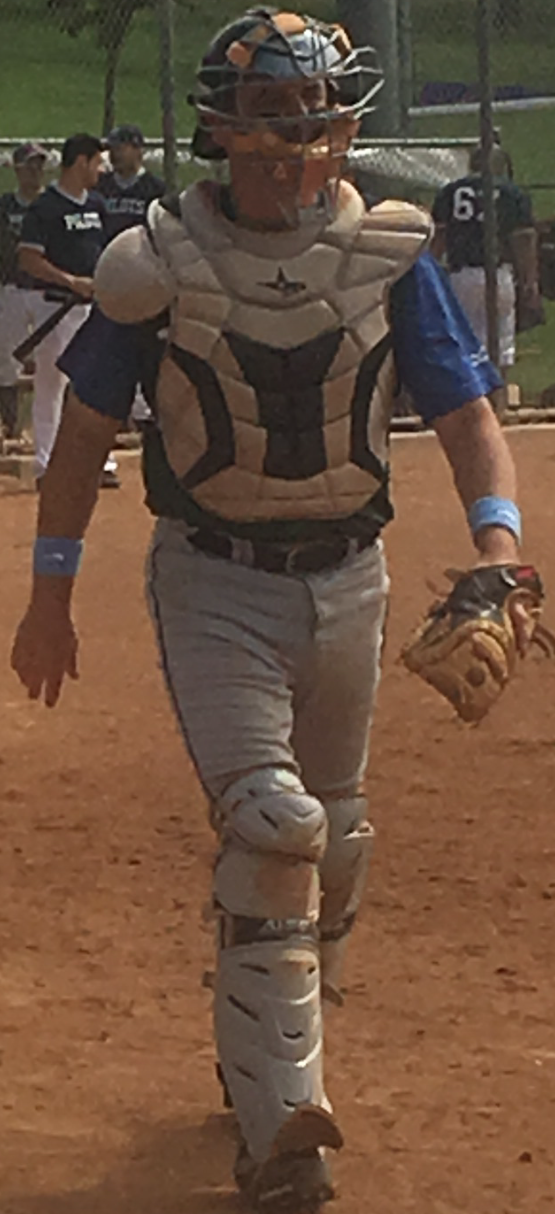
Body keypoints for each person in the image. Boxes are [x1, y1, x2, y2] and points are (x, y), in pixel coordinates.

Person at [11, 10, 536, 1211]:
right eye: (269, 117)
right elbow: (82, 436)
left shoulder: (386, 255)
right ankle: (281, 1128)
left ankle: (269, 1036)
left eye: (311, 117)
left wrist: (499, 550)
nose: (293, 141)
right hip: (215, 578)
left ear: (343, 128)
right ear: (220, 128)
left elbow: (467, 417)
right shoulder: (155, 265)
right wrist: (50, 593)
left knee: (337, 833)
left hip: (353, 574)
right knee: (276, 822)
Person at [17, 132, 119, 487]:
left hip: (94, 310)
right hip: (57, 308)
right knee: (52, 387)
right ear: (80, 162)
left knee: (96, 385)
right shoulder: (45, 208)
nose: (101, 170)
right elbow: (29, 259)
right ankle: (46, 465)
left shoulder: (97, 205)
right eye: (97, 162)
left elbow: (105, 250)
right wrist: (71, 281)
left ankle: (98, 462)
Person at [431, 145, 541, 377]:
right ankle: (496, 395)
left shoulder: (451, 191)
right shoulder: (512, 192)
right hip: (499, 275)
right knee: (500, 347)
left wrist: (432, 275)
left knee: (463, 341)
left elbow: (438, 238)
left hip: (460, 276)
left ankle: (470, 394)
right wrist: (529, 281)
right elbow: (524, 239)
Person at [0, 142, 47, 438]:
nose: (35, 171)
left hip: (47, 292)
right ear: (17, 169)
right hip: (13, 289)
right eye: (29, 165)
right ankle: (11, 427)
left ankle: (49, 429)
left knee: (51, 362)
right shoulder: (5, 206)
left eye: (39, 165)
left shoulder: (51, 204)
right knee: (7, 361)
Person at [96, 123, 165, 242]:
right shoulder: (100, 185)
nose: (114, 155)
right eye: (111, 150)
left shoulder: (155, 188)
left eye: (120, 149)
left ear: (137, 150)